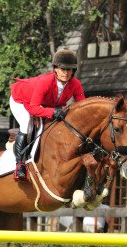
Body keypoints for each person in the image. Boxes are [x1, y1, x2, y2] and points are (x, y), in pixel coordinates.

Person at [9, 48, 86, 181]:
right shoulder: (45, 81)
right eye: (63, 69)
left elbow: (82, 106)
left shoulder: (75, 84)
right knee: (26, 123)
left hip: (45, 104)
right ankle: (20, 164)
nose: (66, 73)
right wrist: (52, 112)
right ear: (55, 68)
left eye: (70, 70)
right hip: (21, 100)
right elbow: (33, 108)